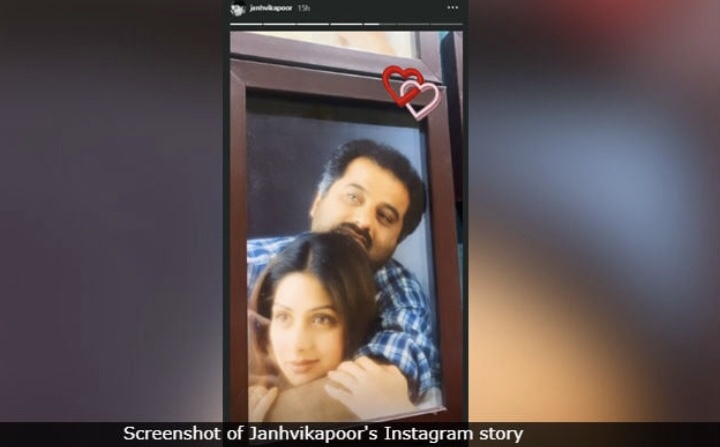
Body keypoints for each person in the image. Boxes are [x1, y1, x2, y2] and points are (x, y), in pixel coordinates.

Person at [247, 139, 441, 420]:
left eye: (385, 216)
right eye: (353, 197)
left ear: (397, 241)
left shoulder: (400, 293)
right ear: (317, 202)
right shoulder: (246, 262)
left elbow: (375, 389)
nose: (363, 221)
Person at [248, 231, 415, 422]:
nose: (297, 344)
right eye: (283, 316)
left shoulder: (386, 398)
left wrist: (400, 413)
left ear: (354, 323)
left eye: (321, 319)